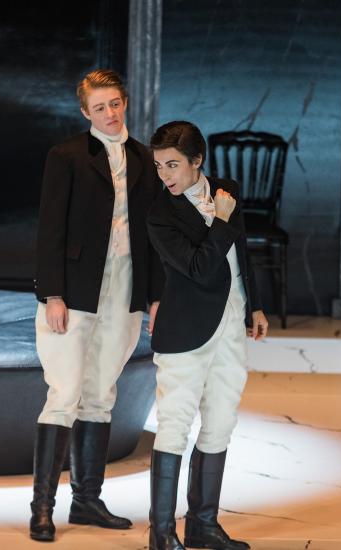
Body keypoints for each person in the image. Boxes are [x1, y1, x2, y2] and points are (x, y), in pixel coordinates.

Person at [29, 69, 165, 543]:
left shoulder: (144, 159)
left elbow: (153, 235)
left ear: (125, 103)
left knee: (101, 394)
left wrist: (155, 296)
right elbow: (50, 229)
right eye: (100, 107)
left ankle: (87, 501)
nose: (110, 113)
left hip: (125, 288)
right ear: (86, 112)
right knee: (64, 392)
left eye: (116, 103)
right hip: (74, 290)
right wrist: (53, 294)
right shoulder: (66, 156)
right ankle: (42, 509)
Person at [145, 120, 268, 550]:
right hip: (185, 331)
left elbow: (242, 252)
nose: (165, 175)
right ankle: (162, 534)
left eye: (173, 165)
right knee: (174, 425)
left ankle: (203, 525)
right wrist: (222, 221)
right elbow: (198, 268)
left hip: (231, 325)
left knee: (221, 421)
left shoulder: (226, 191)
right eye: (159, 166)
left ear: (197, 160)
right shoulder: (160, 215)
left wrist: (254, 305)